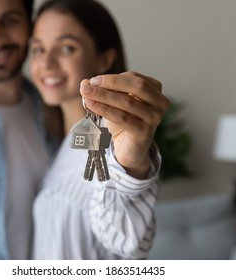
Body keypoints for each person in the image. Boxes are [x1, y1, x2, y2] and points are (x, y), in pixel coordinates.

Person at [0, 0, 166, 260]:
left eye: (10, 19)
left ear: (26, 25)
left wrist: (130, 165)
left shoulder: (89, 132)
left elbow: (125, 236)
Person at [29, 0, 169, 259]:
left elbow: (129, 241)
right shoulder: (56, 141)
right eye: (38, 49)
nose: (46, 61)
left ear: (105, 59)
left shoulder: (110, 141)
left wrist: (130, 164)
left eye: (67, 47)